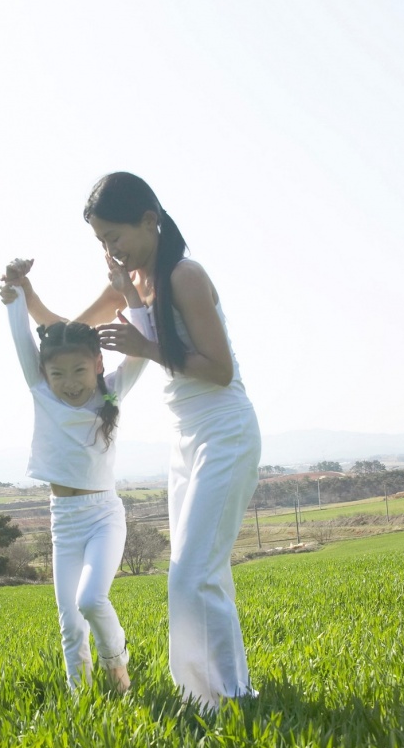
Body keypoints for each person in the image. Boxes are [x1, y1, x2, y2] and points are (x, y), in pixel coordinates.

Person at [18, 174, 261, 711]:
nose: (111, 250)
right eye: (102, 242)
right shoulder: (129, 283)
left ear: (150, 220)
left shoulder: (184, 276)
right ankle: (229, 690)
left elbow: (218, 370)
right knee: (203, 573)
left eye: (115, 236)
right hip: (185, 437)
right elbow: (69, 334)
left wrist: (145, 346)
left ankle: (218, 695)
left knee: (190, 575)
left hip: (224, 430)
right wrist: (27, 299)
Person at [0, 258, 147, 694]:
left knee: (90, 600)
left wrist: (132, 296)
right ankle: (80, 700)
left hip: (103, 515)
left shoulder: (112, 393)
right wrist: (15, 290)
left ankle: (117, 668)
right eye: (57, 373)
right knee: (69, 623)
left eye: (78, 371)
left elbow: (140, 350)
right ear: (45, 373)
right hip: (63, 520)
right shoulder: (40, 390)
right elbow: (21, 337)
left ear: (98, 365)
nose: (68, 382)